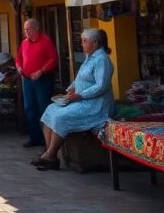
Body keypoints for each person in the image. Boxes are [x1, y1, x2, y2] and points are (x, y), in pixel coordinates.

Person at [31, 29, 114, 171]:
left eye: (84, 41)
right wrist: (71, 88)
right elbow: (79, 79)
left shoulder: (102, 60)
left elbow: (101, 86)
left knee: (61, 117)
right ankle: (50, 153)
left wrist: (80, 95)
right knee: (50, 111)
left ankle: (50, 156)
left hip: (94, 106)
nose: (82, 44)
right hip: (80, 100)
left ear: (95, 43)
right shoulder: (89, 58)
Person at [16, 18, 59, 148]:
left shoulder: (45, 41)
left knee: (43, 108)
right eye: (24, 29)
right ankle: (34, 137)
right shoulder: (24, 43)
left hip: (42, 79)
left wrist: (41, 71)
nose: (26, 32)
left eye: (28, 29)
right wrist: (19, 67)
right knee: (29, 108)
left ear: (36, 29)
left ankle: (46, 140)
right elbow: (18, 58)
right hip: (28, 80)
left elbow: (53, 59)